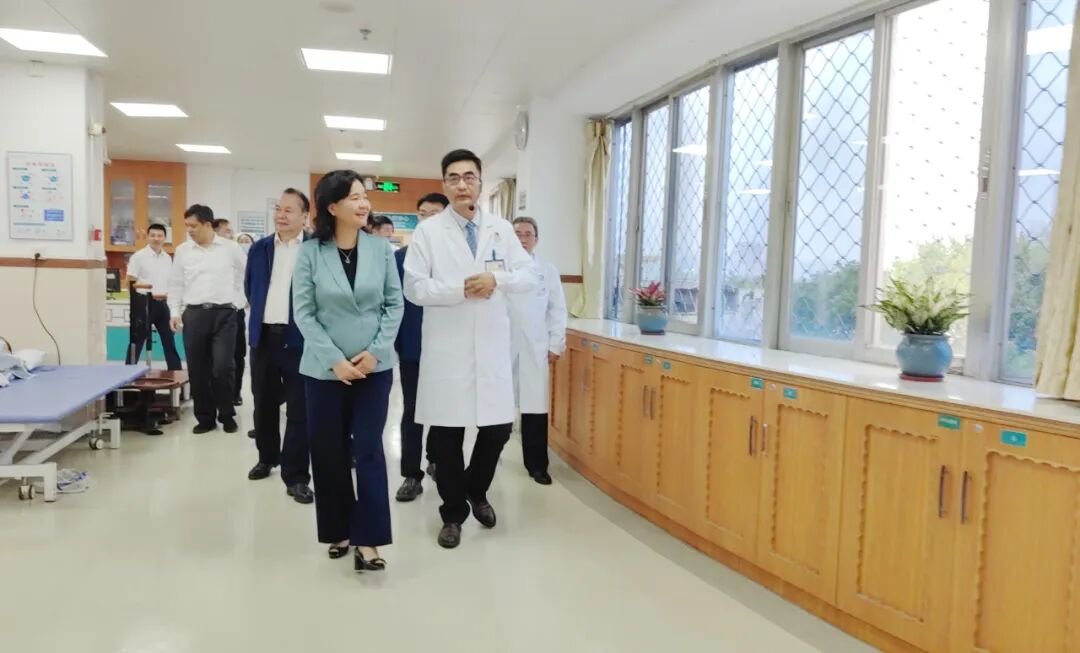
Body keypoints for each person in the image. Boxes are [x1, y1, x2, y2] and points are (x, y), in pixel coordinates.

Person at [404, 149, 539, 549]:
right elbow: (414, 288)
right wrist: (460, 289)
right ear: (444, 184)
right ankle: (452, 514)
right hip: (447, 348)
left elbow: (528, 274)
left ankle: (476, 490)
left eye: (469, 177)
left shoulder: (501, 229)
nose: (462, 184)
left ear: (480, 182)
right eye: (453, 178)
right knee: (446, 437)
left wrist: (498, 281)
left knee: (496, 430)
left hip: (491, 346)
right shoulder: (428, 232)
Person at [293, 170, 403, 571]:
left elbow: (395, 305)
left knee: (369, 448)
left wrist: (375, 352)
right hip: (325, 371)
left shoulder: (381, 249)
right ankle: (338, 530)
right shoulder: (310, 253)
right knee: (329, 450)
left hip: (374, 368)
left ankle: (369, 538)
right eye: (354, 197)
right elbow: (304, 312)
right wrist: (334, 359)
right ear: (333, 206)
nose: (363, 203)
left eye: (364, 197)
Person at [244, 189, 313, 504]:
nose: (281, 215)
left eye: (288, 210)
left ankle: (296, 475)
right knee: (264, 402)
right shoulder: (259, 248)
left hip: (300, 340)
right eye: (278, 209)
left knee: (300, 408)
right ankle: (267, 457)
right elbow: (250, 287)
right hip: (264, 337)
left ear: (304, 216)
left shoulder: (315, 248)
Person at [168, 204, 247, 434]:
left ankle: (227, 414)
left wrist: (238, 301)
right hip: (194, 315)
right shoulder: (183, 251)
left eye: (193, 226)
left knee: (223, 367)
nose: (189, 230)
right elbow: (176, 284)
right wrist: (174, 311)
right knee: (198, 370)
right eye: (187, 226)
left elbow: (246, 275)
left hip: (225, 315)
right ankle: (205, 418)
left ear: (207, 225)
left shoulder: (230, 248)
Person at [393, 191, 448, 503]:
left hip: (447, 348)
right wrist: (397, 344)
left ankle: (437, 461)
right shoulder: (401, 258)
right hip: (412, 347)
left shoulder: (456, 256)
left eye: (434, 214)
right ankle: (411, 475)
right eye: (422, 214)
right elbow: (393, 303)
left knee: (442, 411)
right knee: (413, 410)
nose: (427, 219)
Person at [508, 217, 567, 485]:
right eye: (517, 234)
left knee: (535, 408)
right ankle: (488, 458)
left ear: (536, 240)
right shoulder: (497, 266)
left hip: (535, 346)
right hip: (502, 345)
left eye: (528, 234)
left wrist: (556, 343)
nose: (522, 239)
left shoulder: (547, 270)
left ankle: (537, 466)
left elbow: (557, 309)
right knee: (497, 405)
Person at [125, 223, 182, 371]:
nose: (156, 238)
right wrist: (136, 304)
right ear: (148, 237)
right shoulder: (139, 257)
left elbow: (170, 282)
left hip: (163, 303)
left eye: (159, 236)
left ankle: (176, 374)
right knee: (137, 341)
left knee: (169, 341)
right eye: (153, 235)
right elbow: (130, 281)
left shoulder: (167, 258)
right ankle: (127, 374)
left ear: (165, 238)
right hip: (143, 303)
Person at [215, 218, 247, 406]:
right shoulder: (207, 253)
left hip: (235, 310)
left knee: (237, 354)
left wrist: (244, 299)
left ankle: (235, 393)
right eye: (226, 231)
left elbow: (248, 274)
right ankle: (217, 395)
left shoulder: (235, 250)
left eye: (231, 231)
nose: (231, 234)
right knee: (217, 358)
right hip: (215, 311)